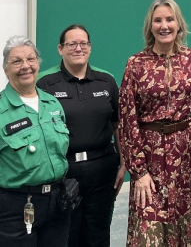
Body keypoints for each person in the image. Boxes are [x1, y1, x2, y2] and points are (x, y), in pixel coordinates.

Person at [118, 0, 191, 247]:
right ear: (150, 26)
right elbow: (128, 119)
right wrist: (138, 171)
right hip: (149, 157)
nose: (164, 25)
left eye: (170, 19)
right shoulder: (136, 64)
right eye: (158, 20)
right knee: (148, 228)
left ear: (179, 24)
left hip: (185, 158)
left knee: (187, 223)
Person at [0, 36, 71, 247]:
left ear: (38, 63)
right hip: (12, 209)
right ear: (6, 69)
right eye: (16, 61)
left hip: (56, 205)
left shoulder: (53, 104)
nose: (25, 66)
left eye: (31, 59)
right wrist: (11, 194)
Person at [37, 24, 126, 247]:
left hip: (103, 168)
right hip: (64, 171)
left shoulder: (106, 81)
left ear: (90, 47)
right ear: (60, 49)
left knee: (98, 232)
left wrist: (124, 164)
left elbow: (118, 125)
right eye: (72, 44)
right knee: (67, 233)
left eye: (83, 43)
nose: (78, 48)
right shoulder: (45, 83)